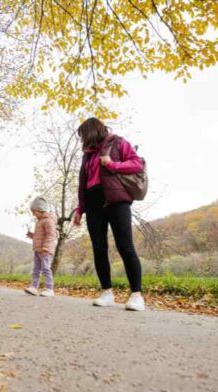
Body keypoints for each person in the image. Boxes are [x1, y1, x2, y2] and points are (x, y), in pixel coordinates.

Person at [73, 117, 146, 311]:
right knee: (99, 248)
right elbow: (83, 184)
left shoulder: (118, 143)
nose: (82, 141)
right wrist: (80, 209)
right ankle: (107, 293)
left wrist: (112, 164)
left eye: (83, 136)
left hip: (116, 201)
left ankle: (136, 295)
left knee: (125, 246)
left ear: (92, 132)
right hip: (93, 203)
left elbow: (137, 164)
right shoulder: (87, 155)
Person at [24, 196, 57, 297]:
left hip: (45, 250)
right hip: (38, 249)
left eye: (34, 211)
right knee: (36, 269)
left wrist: (46, 248)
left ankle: (49, 289)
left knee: (46, 268)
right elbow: (40, 236)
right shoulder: (40, 221)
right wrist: (32, 235)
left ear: (40, 209)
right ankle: (34, 287)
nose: (33, 214)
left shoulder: (48, 220)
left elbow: (51, 235)